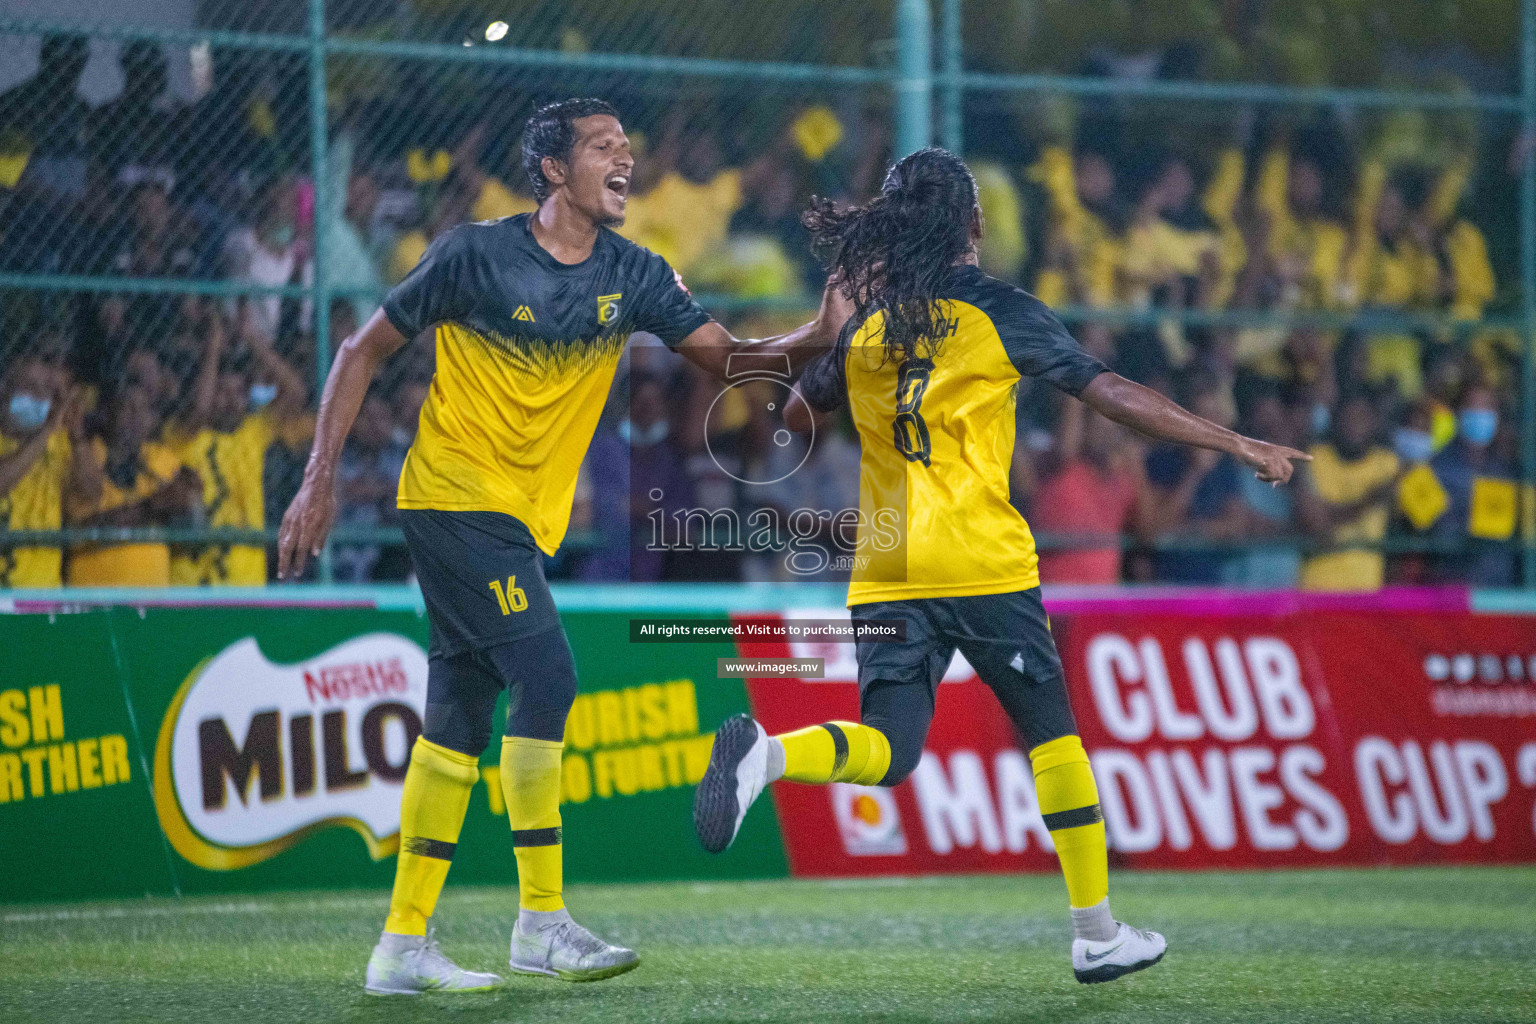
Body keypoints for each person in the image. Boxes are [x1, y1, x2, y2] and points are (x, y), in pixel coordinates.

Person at [691, 147, 1308, 985]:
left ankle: (770, 755)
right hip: (981, 560)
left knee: (890, 747)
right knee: (1053, 733)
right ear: (973, 226)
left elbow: (794, 397)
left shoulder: (869, 326)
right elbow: (1109, 390)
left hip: (886, 566)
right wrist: (1234, 440)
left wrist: (821, 332)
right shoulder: (997, 311)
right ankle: (1096, 931)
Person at [274, 97, 848, 995]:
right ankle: (541, 922)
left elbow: (731, 362)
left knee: (457, 722)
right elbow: (360, 350)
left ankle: (402, 945)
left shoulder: (638, 272)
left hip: (519, 523)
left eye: (629, 144)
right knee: (548, 679)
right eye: (602, 147)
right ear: (552, 170)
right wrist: (317, 480)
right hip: (453, 497)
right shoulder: (474, 255)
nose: (626, 158)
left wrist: (814, 335)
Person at [165, 302, 306, 586]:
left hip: (246, 578)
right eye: (222, 391)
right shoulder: (184, 434)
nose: (230, 400)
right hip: (194, 580)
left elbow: (296, 391)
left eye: (238, 392)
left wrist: (252, 341)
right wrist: (213, 348)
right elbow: (202, 411)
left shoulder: (252, 431)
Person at [65, 386, 202, 587]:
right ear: (106, 413)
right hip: (95, 597)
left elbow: (193, 537)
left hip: (153, 599)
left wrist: (190, 505)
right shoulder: (86, 454)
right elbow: (81, 533)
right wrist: (153, 506)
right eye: (127, 408)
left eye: (144, 409)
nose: (136, 417)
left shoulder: (162, 458)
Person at [0, 357, 100, 587]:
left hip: (45, 592)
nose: (39, 398)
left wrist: (77, 434)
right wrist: (46, 431)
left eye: (46, 391)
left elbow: (92, 493)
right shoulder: (47, 435)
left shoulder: (60, 443)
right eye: (30, 388)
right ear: (4, 388)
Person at [1295, 392, 1402, 591]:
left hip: (1367, 590)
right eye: (1348, 417)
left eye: (1362, 417)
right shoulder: (1312, 458)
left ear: (1374, 422)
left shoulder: (1388, 463)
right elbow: (1317, 524)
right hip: (1317, 587)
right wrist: (1369, 501)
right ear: (1336, 419)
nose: (1354, 425)